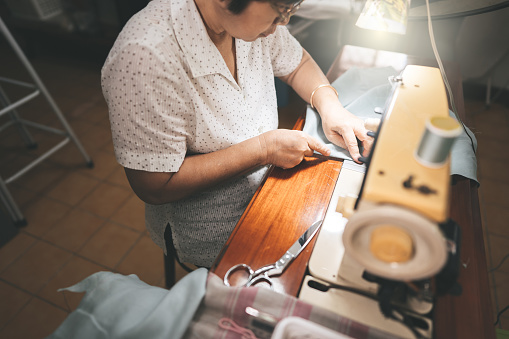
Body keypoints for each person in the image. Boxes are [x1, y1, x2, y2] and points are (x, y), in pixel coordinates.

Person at [101, 0, 373, 268]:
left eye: (292, 9)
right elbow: (154, 185)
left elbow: (296, 62)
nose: (284, 23)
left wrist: (330, 106)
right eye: (280, 10)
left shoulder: (245, 22)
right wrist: (263, 150)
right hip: (213, 228)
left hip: (271, 185)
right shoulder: (144, 57)